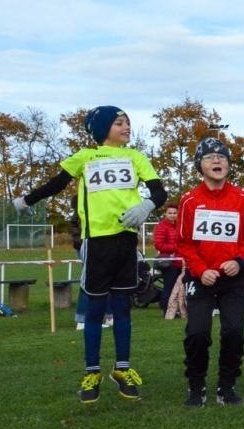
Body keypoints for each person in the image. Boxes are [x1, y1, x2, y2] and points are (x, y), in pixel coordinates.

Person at [15, 105, 166, 402]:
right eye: (119, 123)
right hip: (97, 243)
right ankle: (92, 372)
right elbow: (56, 184)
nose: (126, 127)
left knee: (122, 309)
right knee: (95, 311)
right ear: (102, 128)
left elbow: (159, 192)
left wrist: (146, 206)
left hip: (126, 243)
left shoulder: (136, 157)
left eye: (127, 122)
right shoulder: (85, 157)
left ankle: (122, 369)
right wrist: (26, 200)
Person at [176, 137, 244, 406]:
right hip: (201, 278)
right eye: (210, 157)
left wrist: (239, 261)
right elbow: (184, 243)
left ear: (228, 164)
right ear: (199, 165)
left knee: (234, 331)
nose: (217, 160)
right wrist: (201, 270)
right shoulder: (189, 200)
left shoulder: (242, 198)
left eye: (222, 157)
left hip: (233, 279)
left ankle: (227, 385)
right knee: (197, 333)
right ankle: (196, 386)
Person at [152, 203, 183, 314]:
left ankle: (178, 309)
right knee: (169, 286)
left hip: (181, 261)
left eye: (175, 213)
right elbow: (158, 245)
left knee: (180, 287)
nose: (172, 215)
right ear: (165, 214)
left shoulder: (180, 226)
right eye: (170, 213)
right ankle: (166, 309)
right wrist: (176, 247)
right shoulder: (161, 227)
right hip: (169, 262)